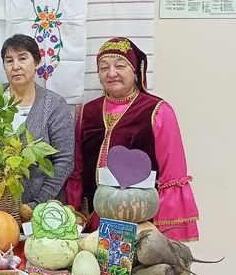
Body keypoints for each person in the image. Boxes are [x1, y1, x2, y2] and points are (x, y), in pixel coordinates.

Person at [66, 37, 199, 242]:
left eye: (120, 66)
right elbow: (77, 169)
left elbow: (172, 173)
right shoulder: (86, 112)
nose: (111, 73)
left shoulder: (157, 111)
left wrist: (167, 233)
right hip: (93, 220)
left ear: (135, 71)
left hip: (141, 222)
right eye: (104, 67)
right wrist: (73, 213)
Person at [0, 34, 74, 208]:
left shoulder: (55, 105)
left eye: (22, 58)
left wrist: (37, 204)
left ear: (37, 62)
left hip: (44, 208)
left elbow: (65, 161)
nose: (16, 66)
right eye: (9, 61)